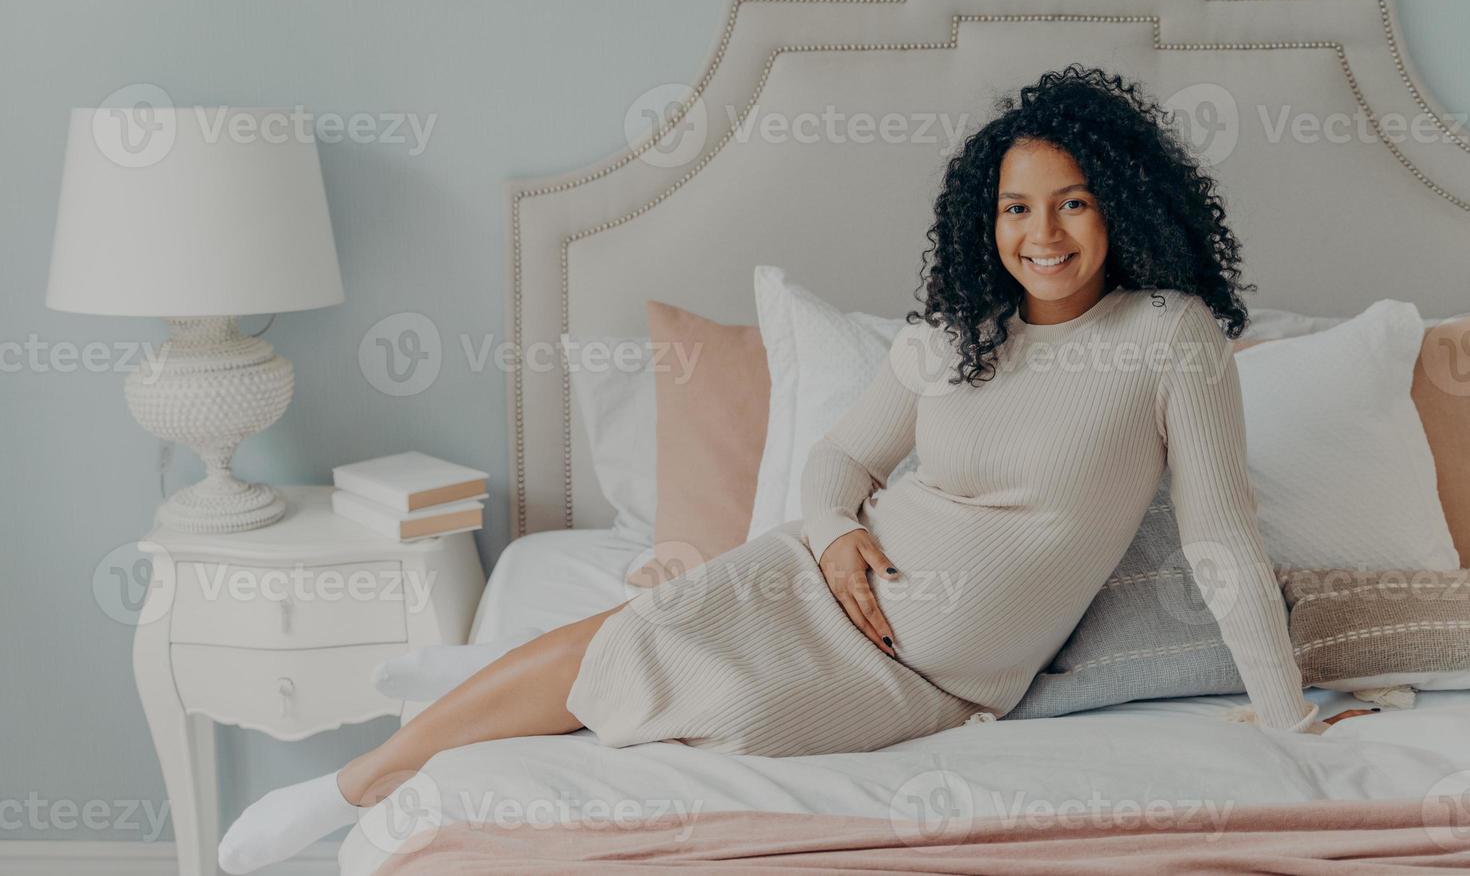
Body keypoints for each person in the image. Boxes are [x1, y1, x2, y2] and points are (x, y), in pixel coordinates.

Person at [217, 66, 1324, 874]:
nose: (1043, 233)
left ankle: (463, 703)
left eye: (1073, 201)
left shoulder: (1168, 338)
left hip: (927, 679)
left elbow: (1223, 535)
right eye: (1016, 207)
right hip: (817, 577)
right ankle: (356, 782)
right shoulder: (958, 330)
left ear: (1122, 204)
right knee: (632, 644)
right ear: (985, 221)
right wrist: (839, 534)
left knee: (690, 686)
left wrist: (1288, 716)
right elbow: (840, 456)